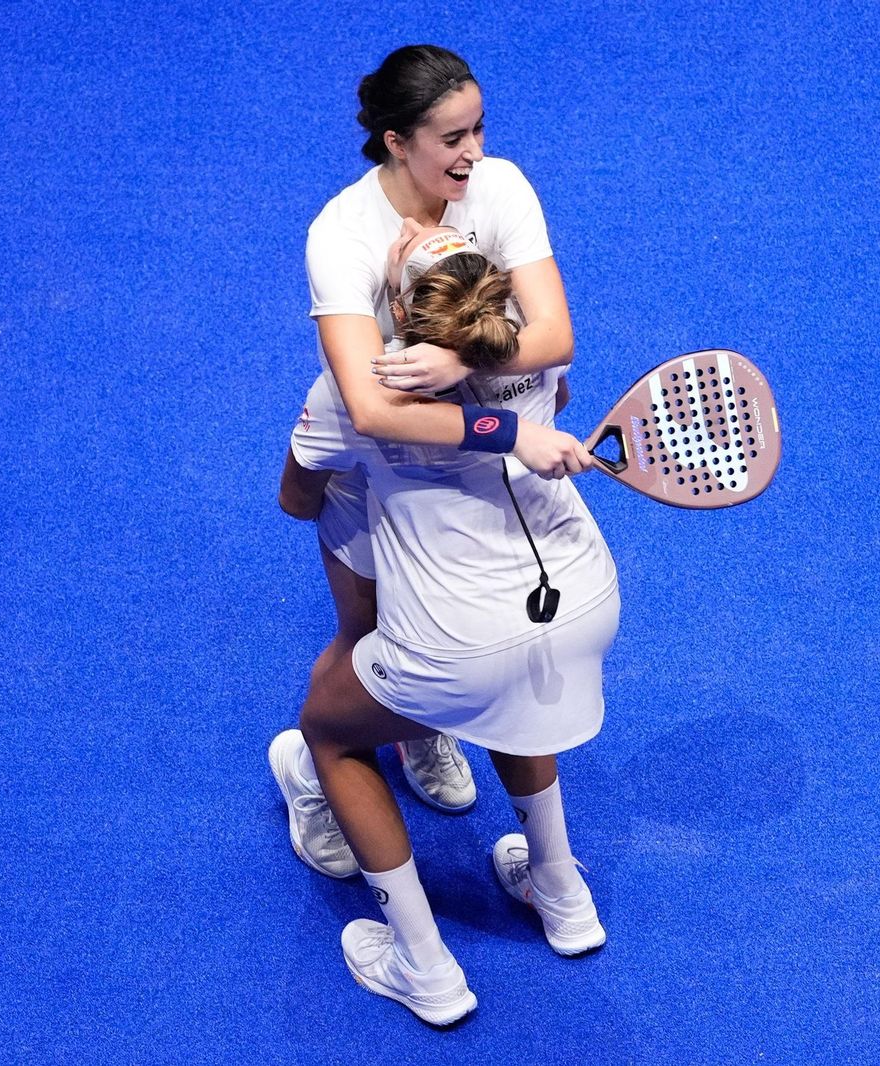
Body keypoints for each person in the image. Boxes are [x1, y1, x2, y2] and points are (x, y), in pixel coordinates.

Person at [274, 221, 619, 1026]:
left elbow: (296, 500)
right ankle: (562, 894)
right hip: (584, 600)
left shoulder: (349, 393)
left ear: (399, 313)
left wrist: (372, 475)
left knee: (327, 729)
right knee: (514, 689)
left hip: (462, 639)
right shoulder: (538, 352)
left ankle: (422, 964)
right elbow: (546, 390)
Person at [271, 42, 583, 881]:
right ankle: (317, 775)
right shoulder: (342, 234)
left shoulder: (501, 186)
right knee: (371, 634)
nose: (473, 153)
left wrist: (462, 365)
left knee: (449, 619)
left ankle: (420, 730)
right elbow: (370, 409)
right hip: (371, 461)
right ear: (396, 141)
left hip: (462, 448)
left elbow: (556, 337)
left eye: (479, 129)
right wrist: (512, 426)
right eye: (451, 138)